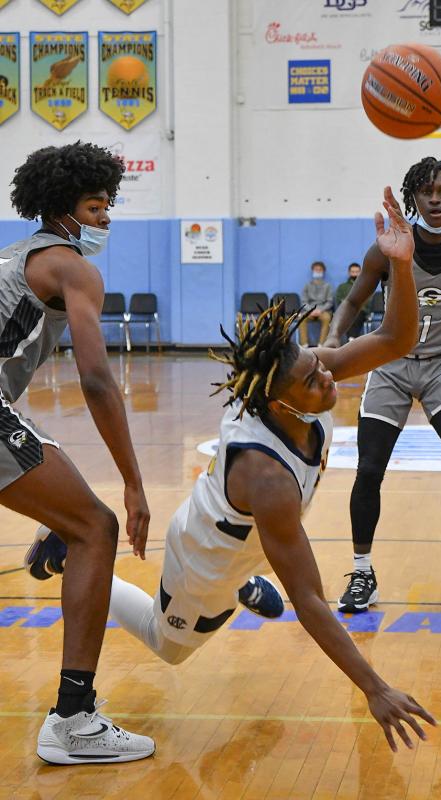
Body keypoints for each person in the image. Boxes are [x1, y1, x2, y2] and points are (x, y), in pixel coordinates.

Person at [28, 188, 437, 753]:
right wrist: (374, 687)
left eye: (320, 369)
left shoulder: (303, 373)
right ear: (278, 401)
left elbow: (399, 338)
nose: (328, 379)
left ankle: (245, 577)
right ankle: (67, 550)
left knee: (265, 547)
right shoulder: (265, 476)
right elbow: (310, 599)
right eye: (314, 381)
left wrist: (401, 263)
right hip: (201, 560)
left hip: (244, 535)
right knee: (165, 646)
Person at [0, 142, 155, 764]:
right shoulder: (73, 267)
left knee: (74, 514)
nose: (106, 219)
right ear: (64, 212)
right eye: (96, 207)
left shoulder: (20, 255)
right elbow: (95, 377)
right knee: (98, 525)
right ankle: (74, 719)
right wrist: (135, 483)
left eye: (109, 205)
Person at [324, 157, 441, 615]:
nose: (435, 199)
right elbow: (353, 300)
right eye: (426, 192)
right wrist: (332, 339)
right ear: (414, 198)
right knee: (369, 470)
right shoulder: (386, 249)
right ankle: (362, 572)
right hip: (390, 365)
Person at [299, 261, 334, 346]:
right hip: (309, 310)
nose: (318, 271)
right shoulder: (307, 285)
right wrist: (311, 310)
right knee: (301, 318)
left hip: (323, 311)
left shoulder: (328, 286)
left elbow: (330, 302)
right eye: (316, 269)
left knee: (327, 318)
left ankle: (321, 344)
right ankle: (304, 345)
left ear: (323, 271)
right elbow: (304, 301)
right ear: (312, 271)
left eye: (320, 270)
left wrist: (320, 310)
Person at [335, 263, 371, 340]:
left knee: (357, 314)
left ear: (360, 272)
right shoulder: (342, 287)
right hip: (346, 311)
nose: (354, 274)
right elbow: (339, 299)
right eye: (353, 272)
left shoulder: (366, 285)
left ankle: (351, 338)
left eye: (356, 272)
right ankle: (352, 338)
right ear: (349, 272)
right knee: (348, 314)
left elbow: (368, 300)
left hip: (361, 310)